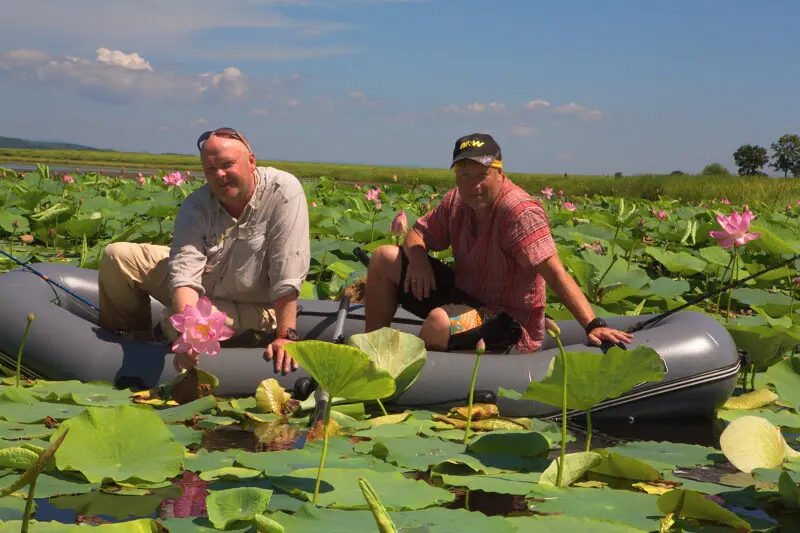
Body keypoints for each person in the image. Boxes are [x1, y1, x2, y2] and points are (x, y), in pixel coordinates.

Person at [364, 132, 633, 353]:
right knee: (384, 256)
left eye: (482, 174)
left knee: (439, 324)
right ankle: (370, 351)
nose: (473, 185)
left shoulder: (519, 212)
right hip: (465, 296)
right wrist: (419, 261)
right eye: (464, 175)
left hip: (507, 318)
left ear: (499, 172)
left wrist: (593, 323)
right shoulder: (455, 201)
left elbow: (555, 272)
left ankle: (417, 370)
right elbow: (417, 234)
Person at [98, 127, 310, 374]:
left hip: (256, 304)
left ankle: (165, 339)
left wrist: (286, 336)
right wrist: (189, 333)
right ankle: (135, 338)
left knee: (170, 322)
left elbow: (287, 270)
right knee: (117, 256)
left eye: (227, 164)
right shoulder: (196, 205)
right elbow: (185, 275)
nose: (220, 175)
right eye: (210, 169)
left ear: (251, 161)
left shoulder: (283, 191)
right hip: (206, 283)